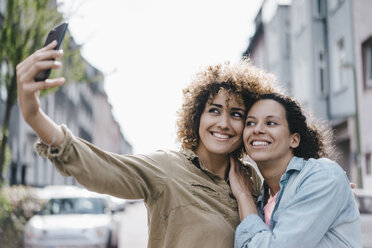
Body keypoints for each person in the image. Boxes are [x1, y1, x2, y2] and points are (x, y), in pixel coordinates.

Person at [16, 40, 279, 247]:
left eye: (236, 114)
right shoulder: (167, 168)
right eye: (214, 110)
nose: (223, 123)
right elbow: (99, 168)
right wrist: (33, 115)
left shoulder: (251, 179)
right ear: (196, 115)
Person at [229, 92, 361, 248]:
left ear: (294, 139)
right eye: (250, 123)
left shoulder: (323, 175)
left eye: (271, 123)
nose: (257, 129)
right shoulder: (261, 199)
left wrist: (244, 197)